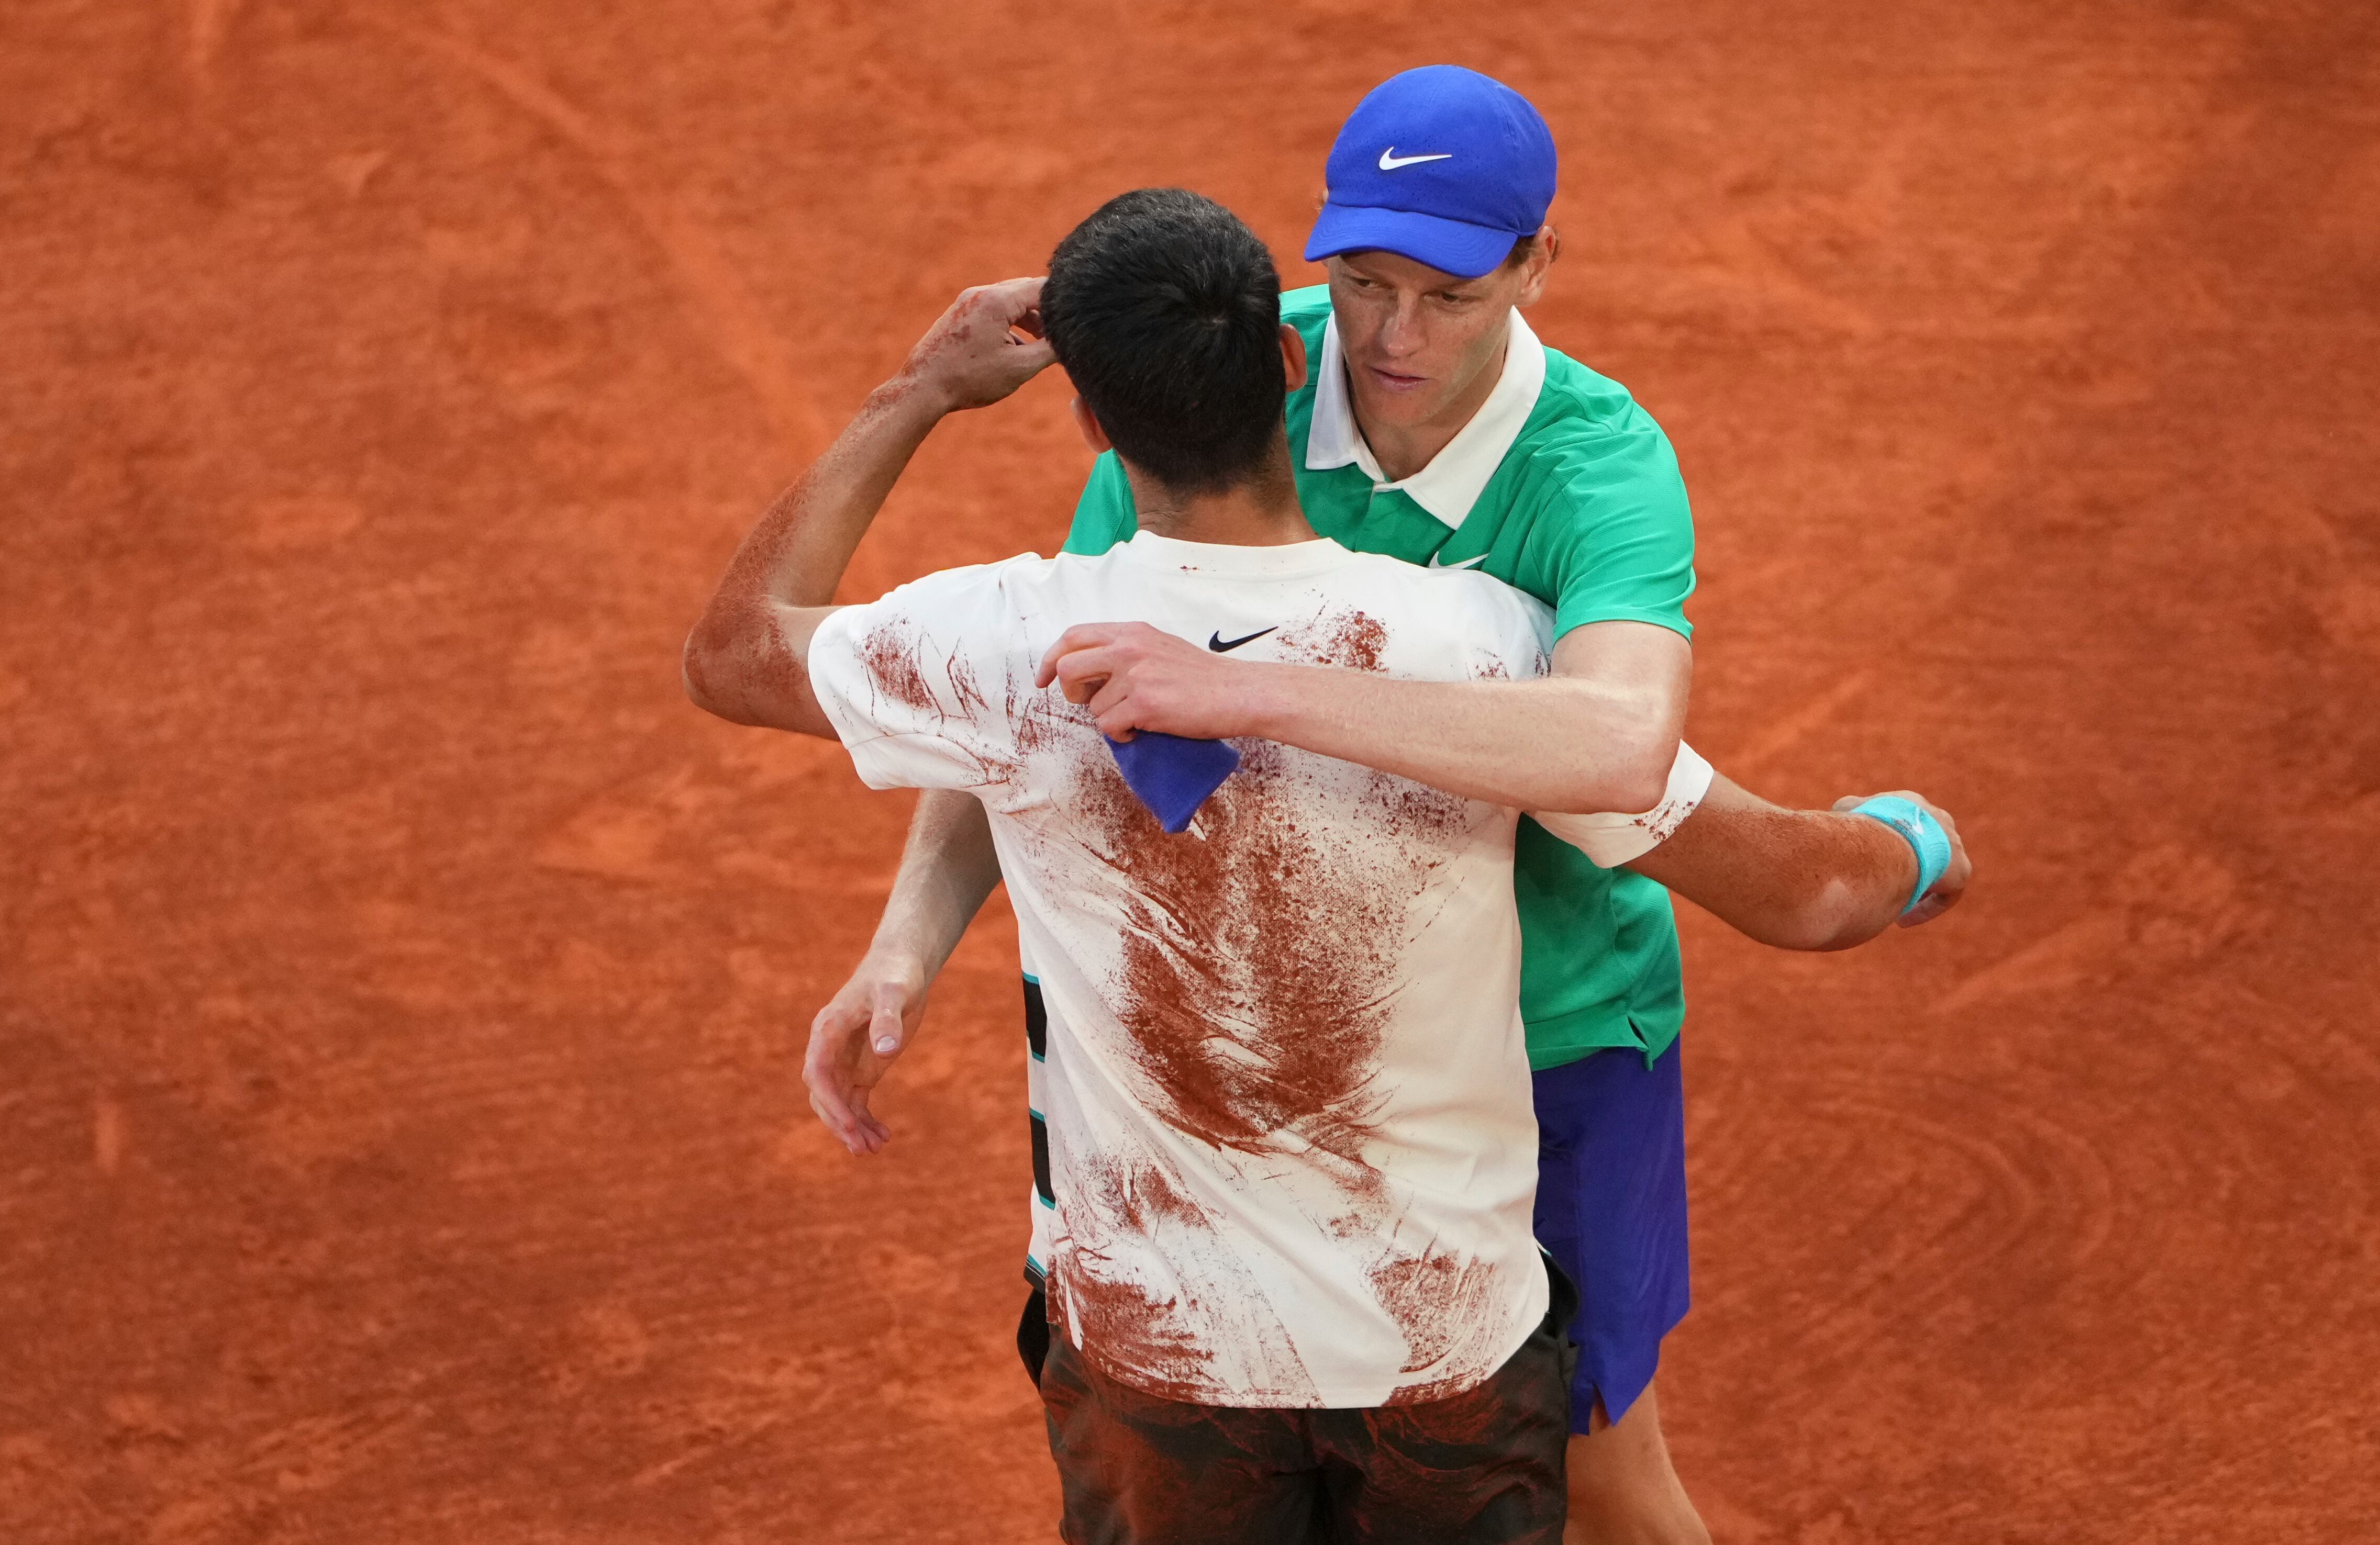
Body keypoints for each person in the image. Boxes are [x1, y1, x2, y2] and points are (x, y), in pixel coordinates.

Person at [786, 67, 1969, 1545]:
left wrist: (1258, 692)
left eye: (1450, 295)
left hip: (1547, 1022)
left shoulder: (1594, 466)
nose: (1393, 337)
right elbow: (1067, 676)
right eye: (1360, 283)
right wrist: (905, 945)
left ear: (1538, 266)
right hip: (1266, 1039)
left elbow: (1613, 745)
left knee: (1596, 1463)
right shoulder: (1243, 365)